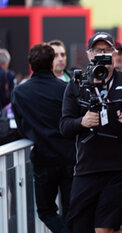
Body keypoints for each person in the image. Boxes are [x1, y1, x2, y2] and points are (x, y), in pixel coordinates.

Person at [60, 32, 122, 233]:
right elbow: (64, 126)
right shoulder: (77, 82)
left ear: (115, 53)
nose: (102, 55)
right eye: (97, 50)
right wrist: (83, 121)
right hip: (87, 169)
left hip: (121, 168)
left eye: (106, 50)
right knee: (79, 227)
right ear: (89, 55)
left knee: (104, 229)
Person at [11, 43, 76, 233]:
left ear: (31, 64)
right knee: (71, 210)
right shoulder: (65, 88)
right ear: (51, 63)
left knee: (46, 211)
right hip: (70, 156)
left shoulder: (20, 92)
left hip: (43, 159)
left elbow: (21, 126)